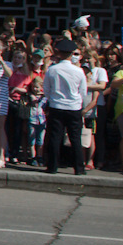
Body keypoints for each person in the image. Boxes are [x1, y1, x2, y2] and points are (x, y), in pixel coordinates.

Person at [42, 38, 87, 174]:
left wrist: (53, 99)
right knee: (75, 138)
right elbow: (83, 92)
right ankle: (79, 168)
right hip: (74, 107)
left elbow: (46, 89)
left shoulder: (52, 69)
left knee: (55, 137)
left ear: (58, 53)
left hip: (57, 106)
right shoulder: (79, 71)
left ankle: (52, 166)